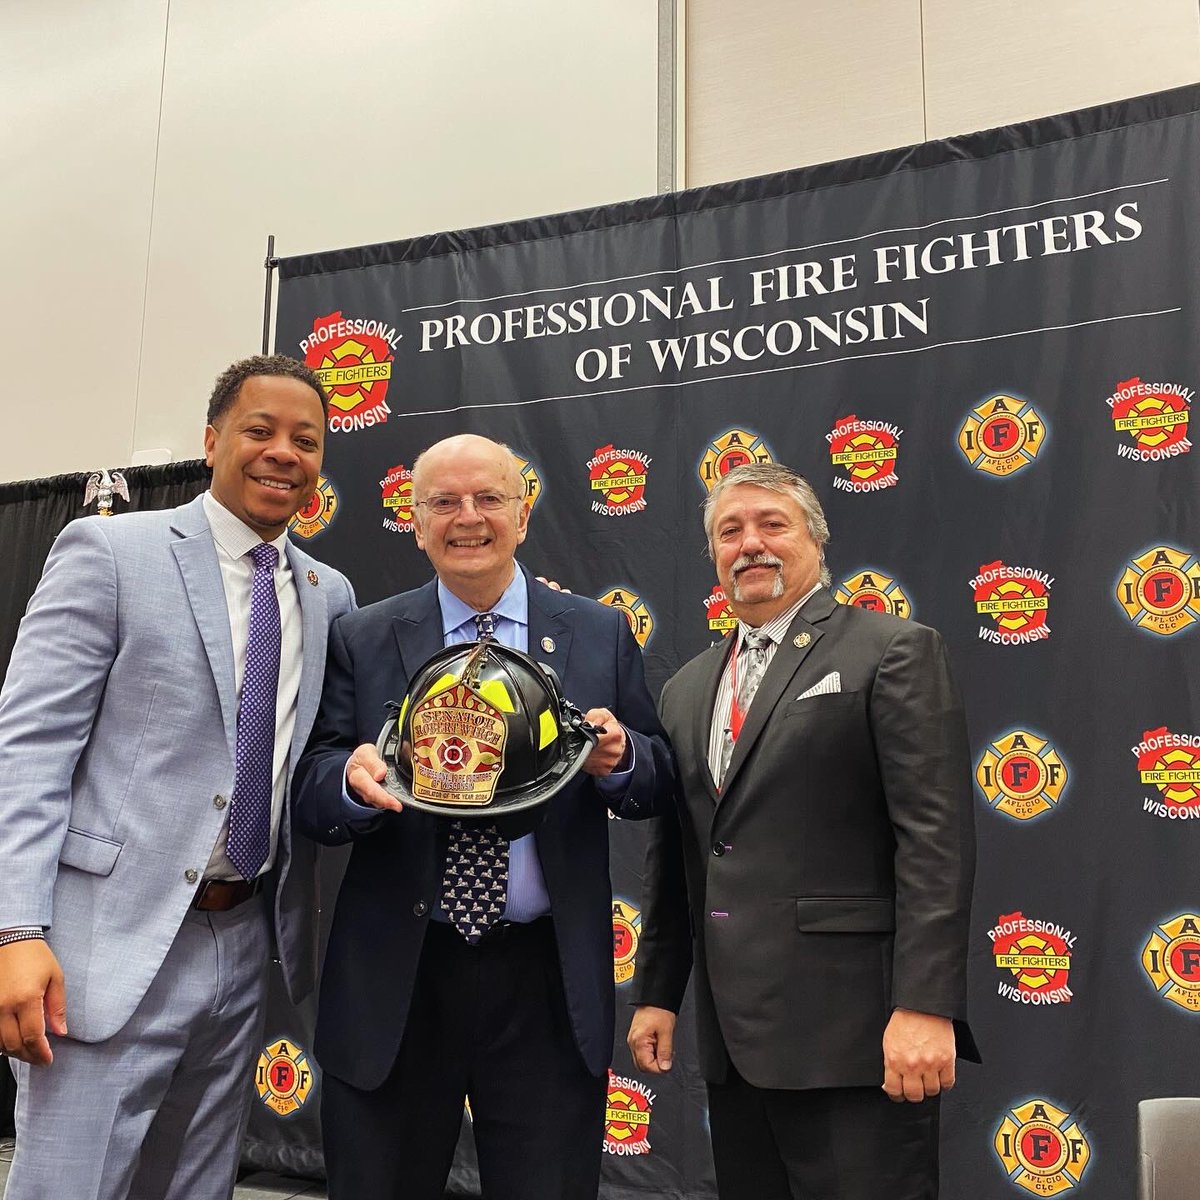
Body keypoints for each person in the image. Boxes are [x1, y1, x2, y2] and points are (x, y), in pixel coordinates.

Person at [0, 354, 355, 1200]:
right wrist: (16, 932)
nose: (282, 453)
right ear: (211, 439)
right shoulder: (110, 551)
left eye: (305, 441)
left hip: (244, 948)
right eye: (260, 430)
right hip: (101, 950)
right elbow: (29, 749)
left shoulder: (327, 593)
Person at [292, 432, 674, 1200]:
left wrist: (622, 757)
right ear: (416, 518)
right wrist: (349, 781)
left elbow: (656, 780)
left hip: (544, 979)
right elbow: (312, 785)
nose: (468, 518)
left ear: (523, 513)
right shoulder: (364, 636)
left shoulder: (597, 632)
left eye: (488, 498)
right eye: (444, 502)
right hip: (400, 974)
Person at [627, 462, 977, 1200]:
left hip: (857, 1038)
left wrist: (925, 1004)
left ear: (816, 541)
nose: (750, 544)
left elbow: (935, 843)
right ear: (715, 556)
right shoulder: (685, 687)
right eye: (730, 531)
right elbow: (680, 853)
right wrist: (658, 990)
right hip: (734, 1042)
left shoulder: (893, 650)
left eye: (771, 524)